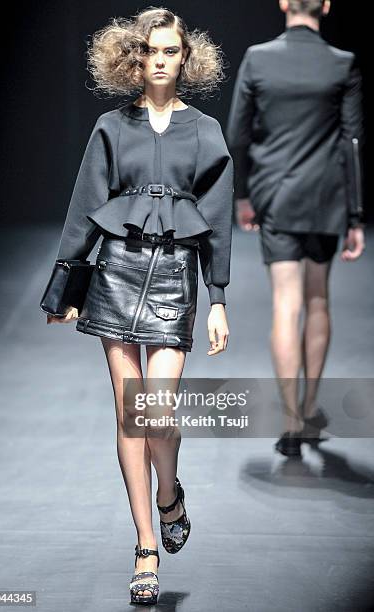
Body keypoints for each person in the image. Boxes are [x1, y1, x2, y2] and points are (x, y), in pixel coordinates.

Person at [43, 7, 233, 605]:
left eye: (170, 50)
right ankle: (146, 548)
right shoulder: (110, 127)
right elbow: (84, 205)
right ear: (134, 56)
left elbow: (219, 221)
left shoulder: (205, 131)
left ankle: (169, 491)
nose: (159, 59)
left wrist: (218, 299)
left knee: (157, 412)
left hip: (176, 276)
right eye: (150, 49)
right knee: (131, 415)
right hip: (117, 272)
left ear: (186, 58)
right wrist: (67, 288)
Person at [226, 0, 365, 457]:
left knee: (285, 305)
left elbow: (238, 134)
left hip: (276, 195)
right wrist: (355, 214)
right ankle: (308, 409)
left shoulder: (258, 58)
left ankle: (290, 420)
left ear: (284, 3)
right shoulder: (342, 64)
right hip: (326, 198)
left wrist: (244, 196)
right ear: (326, 6)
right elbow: (352, 143)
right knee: (318, 298)